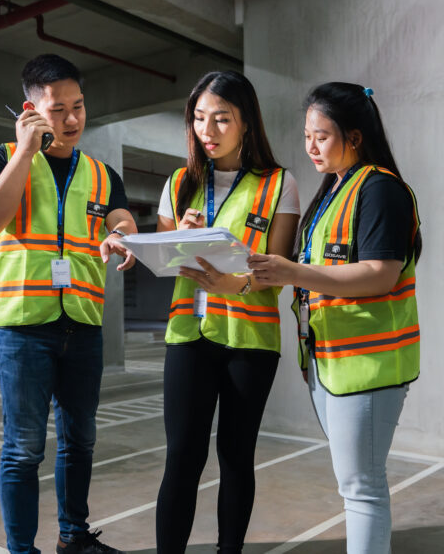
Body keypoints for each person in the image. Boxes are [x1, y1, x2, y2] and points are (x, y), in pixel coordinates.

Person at [0, 53, 136, 554]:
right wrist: (25, 151)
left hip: (83, 326)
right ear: (30, 109)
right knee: (23, 450)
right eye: (58, 109)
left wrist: (121, 237)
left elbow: (122, 219)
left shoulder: (102, 174)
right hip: (23, 328)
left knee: (80, 442)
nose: (71, 120)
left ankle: (74, 536)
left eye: (79, 107)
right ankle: (22, 549)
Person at [247, 82, 422, 554]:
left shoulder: (380, 189)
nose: (310, 146)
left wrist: (293, 271)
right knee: (356, 484)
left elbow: (380, 275)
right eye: (307, 135)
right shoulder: (333, 192)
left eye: (321, 136)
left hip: (367, 367)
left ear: (356, 136)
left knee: (362, 488)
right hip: (330, 364)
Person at [153, 70, 300, 554]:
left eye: (221, 119)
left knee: (236, 457)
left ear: (246, 123)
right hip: (187, 335)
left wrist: (232, 283)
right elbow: (164, 258)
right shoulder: (178, 184)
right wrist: (181, 234)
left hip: (249, 339)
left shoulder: (280, 184)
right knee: (182, 458)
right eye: (199, 118)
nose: (207, 131)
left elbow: (277, 269)